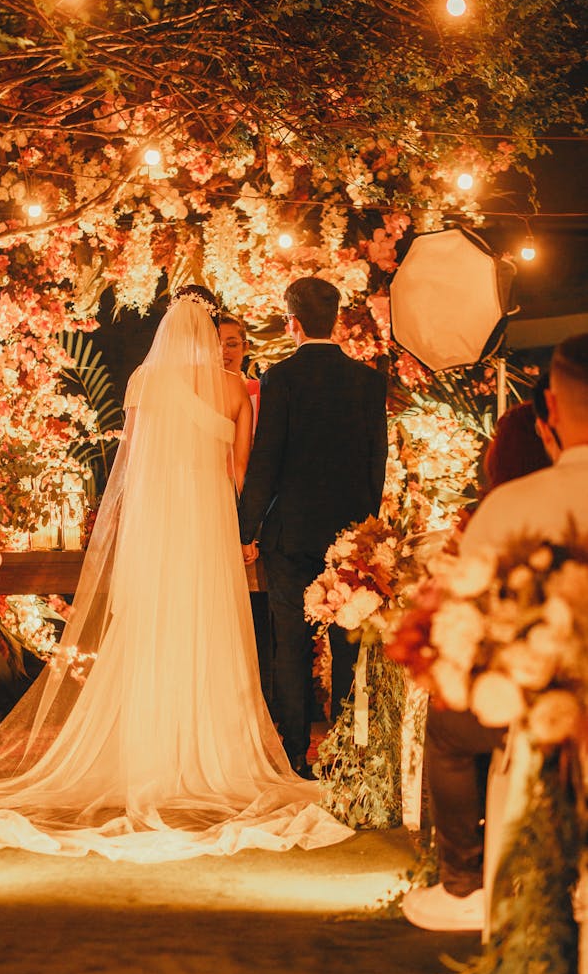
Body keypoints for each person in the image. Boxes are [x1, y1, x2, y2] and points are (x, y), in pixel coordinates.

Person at [0, 286, 353, 859]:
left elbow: (129, 463)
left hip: (156, 522)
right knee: (206, 626)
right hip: (207, 523)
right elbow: (242, 474)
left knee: (151, 624)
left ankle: (144, 747)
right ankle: (209, 750)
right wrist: (245, 533)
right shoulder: (236, 390)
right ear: (210, 333)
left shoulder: (142, 382)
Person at [402, 333, 588, 932]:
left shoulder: (510, 506)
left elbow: (464, 632)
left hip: (542, 707)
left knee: (448, 727)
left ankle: (464, 884)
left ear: (551, 411)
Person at [237, 276, 388, 778]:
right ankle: (347, 752)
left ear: (292, 323)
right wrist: (368, 532)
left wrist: (245, 527)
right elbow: (375, 464)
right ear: (335, 321)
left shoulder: (280, 378)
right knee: (347, 644)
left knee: (292, 645)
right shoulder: (368, 381)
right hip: (349, 536)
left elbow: (267, 460)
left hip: (291, 536)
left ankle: (295, 752)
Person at [218, 312, 273, 707]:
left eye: (232, 343)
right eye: (218, 343)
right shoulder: (208, 391)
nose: (225, 351)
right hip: (223, 515)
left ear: (245, 347)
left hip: (262, 518)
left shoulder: (260, 392)